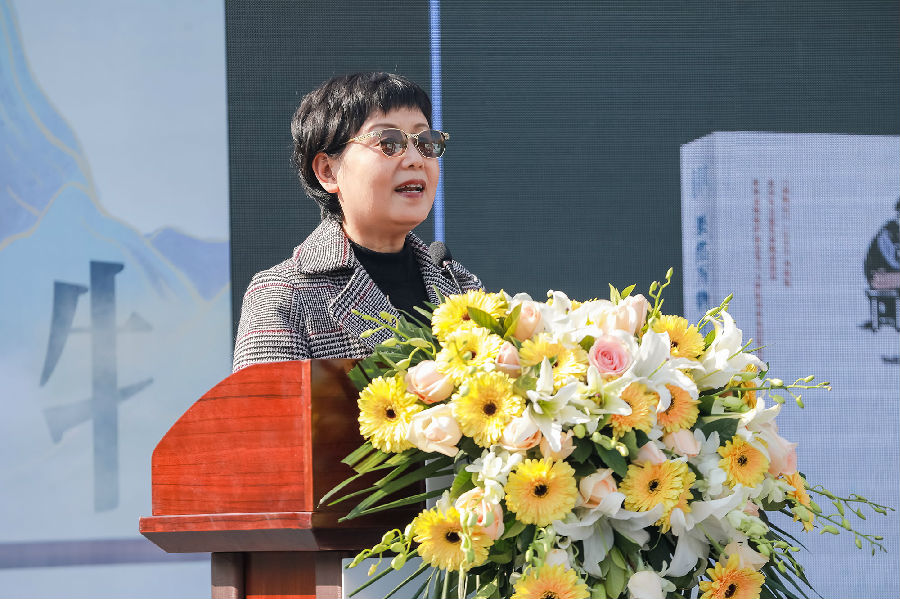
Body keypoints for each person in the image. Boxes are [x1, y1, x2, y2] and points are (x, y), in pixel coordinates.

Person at [233, 72, 482, 371]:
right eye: (389, 142)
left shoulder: (461, 287)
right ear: (328, 171)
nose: (416, 159)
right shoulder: (283, 295)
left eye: (425, 141)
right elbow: (269, 403)